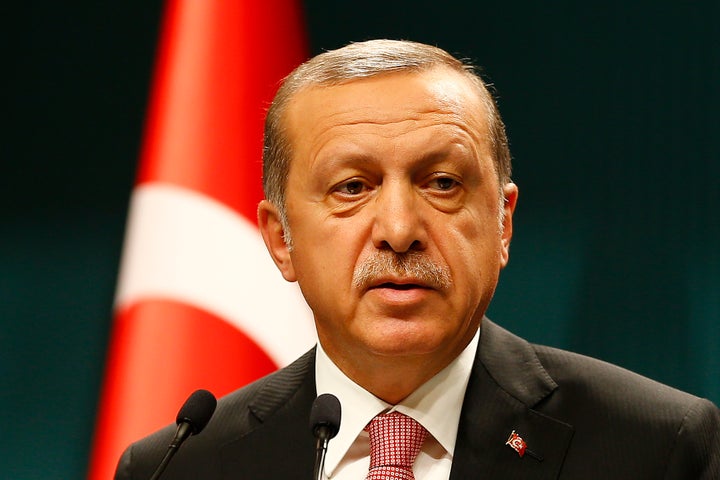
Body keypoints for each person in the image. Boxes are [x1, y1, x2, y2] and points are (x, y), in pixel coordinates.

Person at [114, 39, 720, 479]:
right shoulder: (178, 466)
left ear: (503, 223)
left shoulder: (656, 448)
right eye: (352, 187)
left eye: (442, 183)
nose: (400, 231)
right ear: (280, 239)